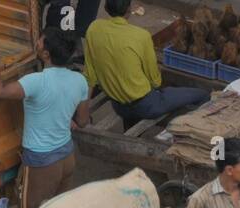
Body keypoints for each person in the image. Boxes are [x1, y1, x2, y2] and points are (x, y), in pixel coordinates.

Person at [0, 27, 89, 208]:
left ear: (46, 54)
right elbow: (81, 121)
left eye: (39, 42)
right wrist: (62, 117)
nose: (36, 43)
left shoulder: (36, 82)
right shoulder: (79, 80)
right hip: (67, 158)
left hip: (43, 164)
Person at [84, 0, 209, 131]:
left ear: (106, 8)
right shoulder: (141, 36)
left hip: (118, 107)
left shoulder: (94, 28)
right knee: (202, 94)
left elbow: (90, 76)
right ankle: (195, 136)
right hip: (147, 106)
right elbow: (155, 80)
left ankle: (131, 127)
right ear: (129, 10)